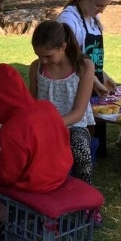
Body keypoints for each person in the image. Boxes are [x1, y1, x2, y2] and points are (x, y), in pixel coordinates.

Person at [0, 64, 73, 194]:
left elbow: (6, 176)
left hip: (34, 185)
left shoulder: (12, 129)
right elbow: (38, 141)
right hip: (59, 176)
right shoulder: (47, 107)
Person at [29, 21, 96, 186]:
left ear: (63, 47)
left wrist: (51, 126)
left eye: (48, 56)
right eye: (39, 56)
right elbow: (32, 103)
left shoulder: (83, 66)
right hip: (43, 126)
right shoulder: (36, 67)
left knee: (81, 152)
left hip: (74, 126)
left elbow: (78, 112)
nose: (43, 61)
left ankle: (84, 199)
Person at [56, 0, 116, 96]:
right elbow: (69, 58)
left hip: (90, 84)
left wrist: (102, 75)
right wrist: (94, 81)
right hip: (75, 89)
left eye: (105, 6)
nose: (102, 11)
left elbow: (91, 57)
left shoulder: (94, 18)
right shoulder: (68, 20)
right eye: (99, 5)